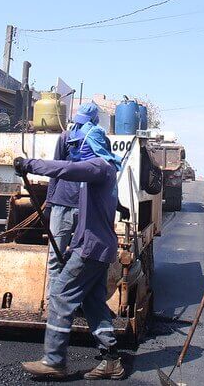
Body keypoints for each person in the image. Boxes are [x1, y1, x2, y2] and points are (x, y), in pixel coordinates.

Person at [16, 122, 126, 381]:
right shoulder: (102, 172)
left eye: (79, 144)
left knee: (60, 295)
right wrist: (73, 247)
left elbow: (65, 168)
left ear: (90, 144)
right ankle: (111, 360)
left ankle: (54, 361)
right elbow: (88, 218)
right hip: (95, 246)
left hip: (93, 248)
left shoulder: (98, 167)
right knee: (93, 303)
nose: (75, 148)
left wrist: (29, 164)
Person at [44, 103, 100, 296]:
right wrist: (49, 202)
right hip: (62, 205)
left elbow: (105, 175)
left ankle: (76, 301)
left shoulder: (99, 142)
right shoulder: (65, 138)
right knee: (55, 257)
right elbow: (55, 170)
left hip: (87, 207)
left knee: (83, 258)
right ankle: (53, 304)